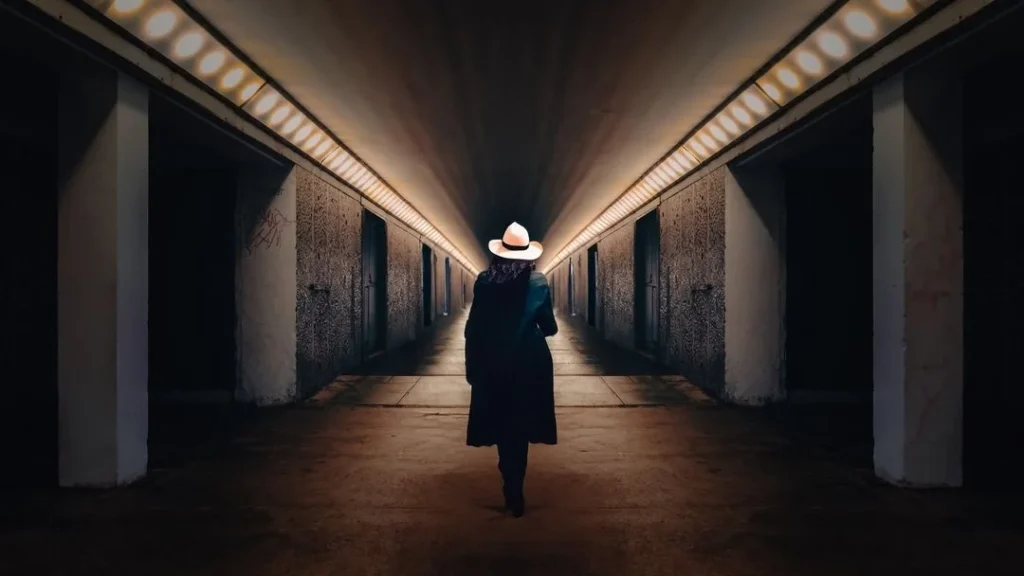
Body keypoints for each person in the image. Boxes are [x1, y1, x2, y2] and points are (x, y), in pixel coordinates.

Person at [464, 222, 558, 518]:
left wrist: (473, 366)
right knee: (521, 424)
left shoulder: (484, 281)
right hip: (530, 363)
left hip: (493, 362)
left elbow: (474, 327)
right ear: (528, 256)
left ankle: (509, 478)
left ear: (500, 254)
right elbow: (550, 327)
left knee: (502, 423)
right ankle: (517, 486)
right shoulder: (539, 282)